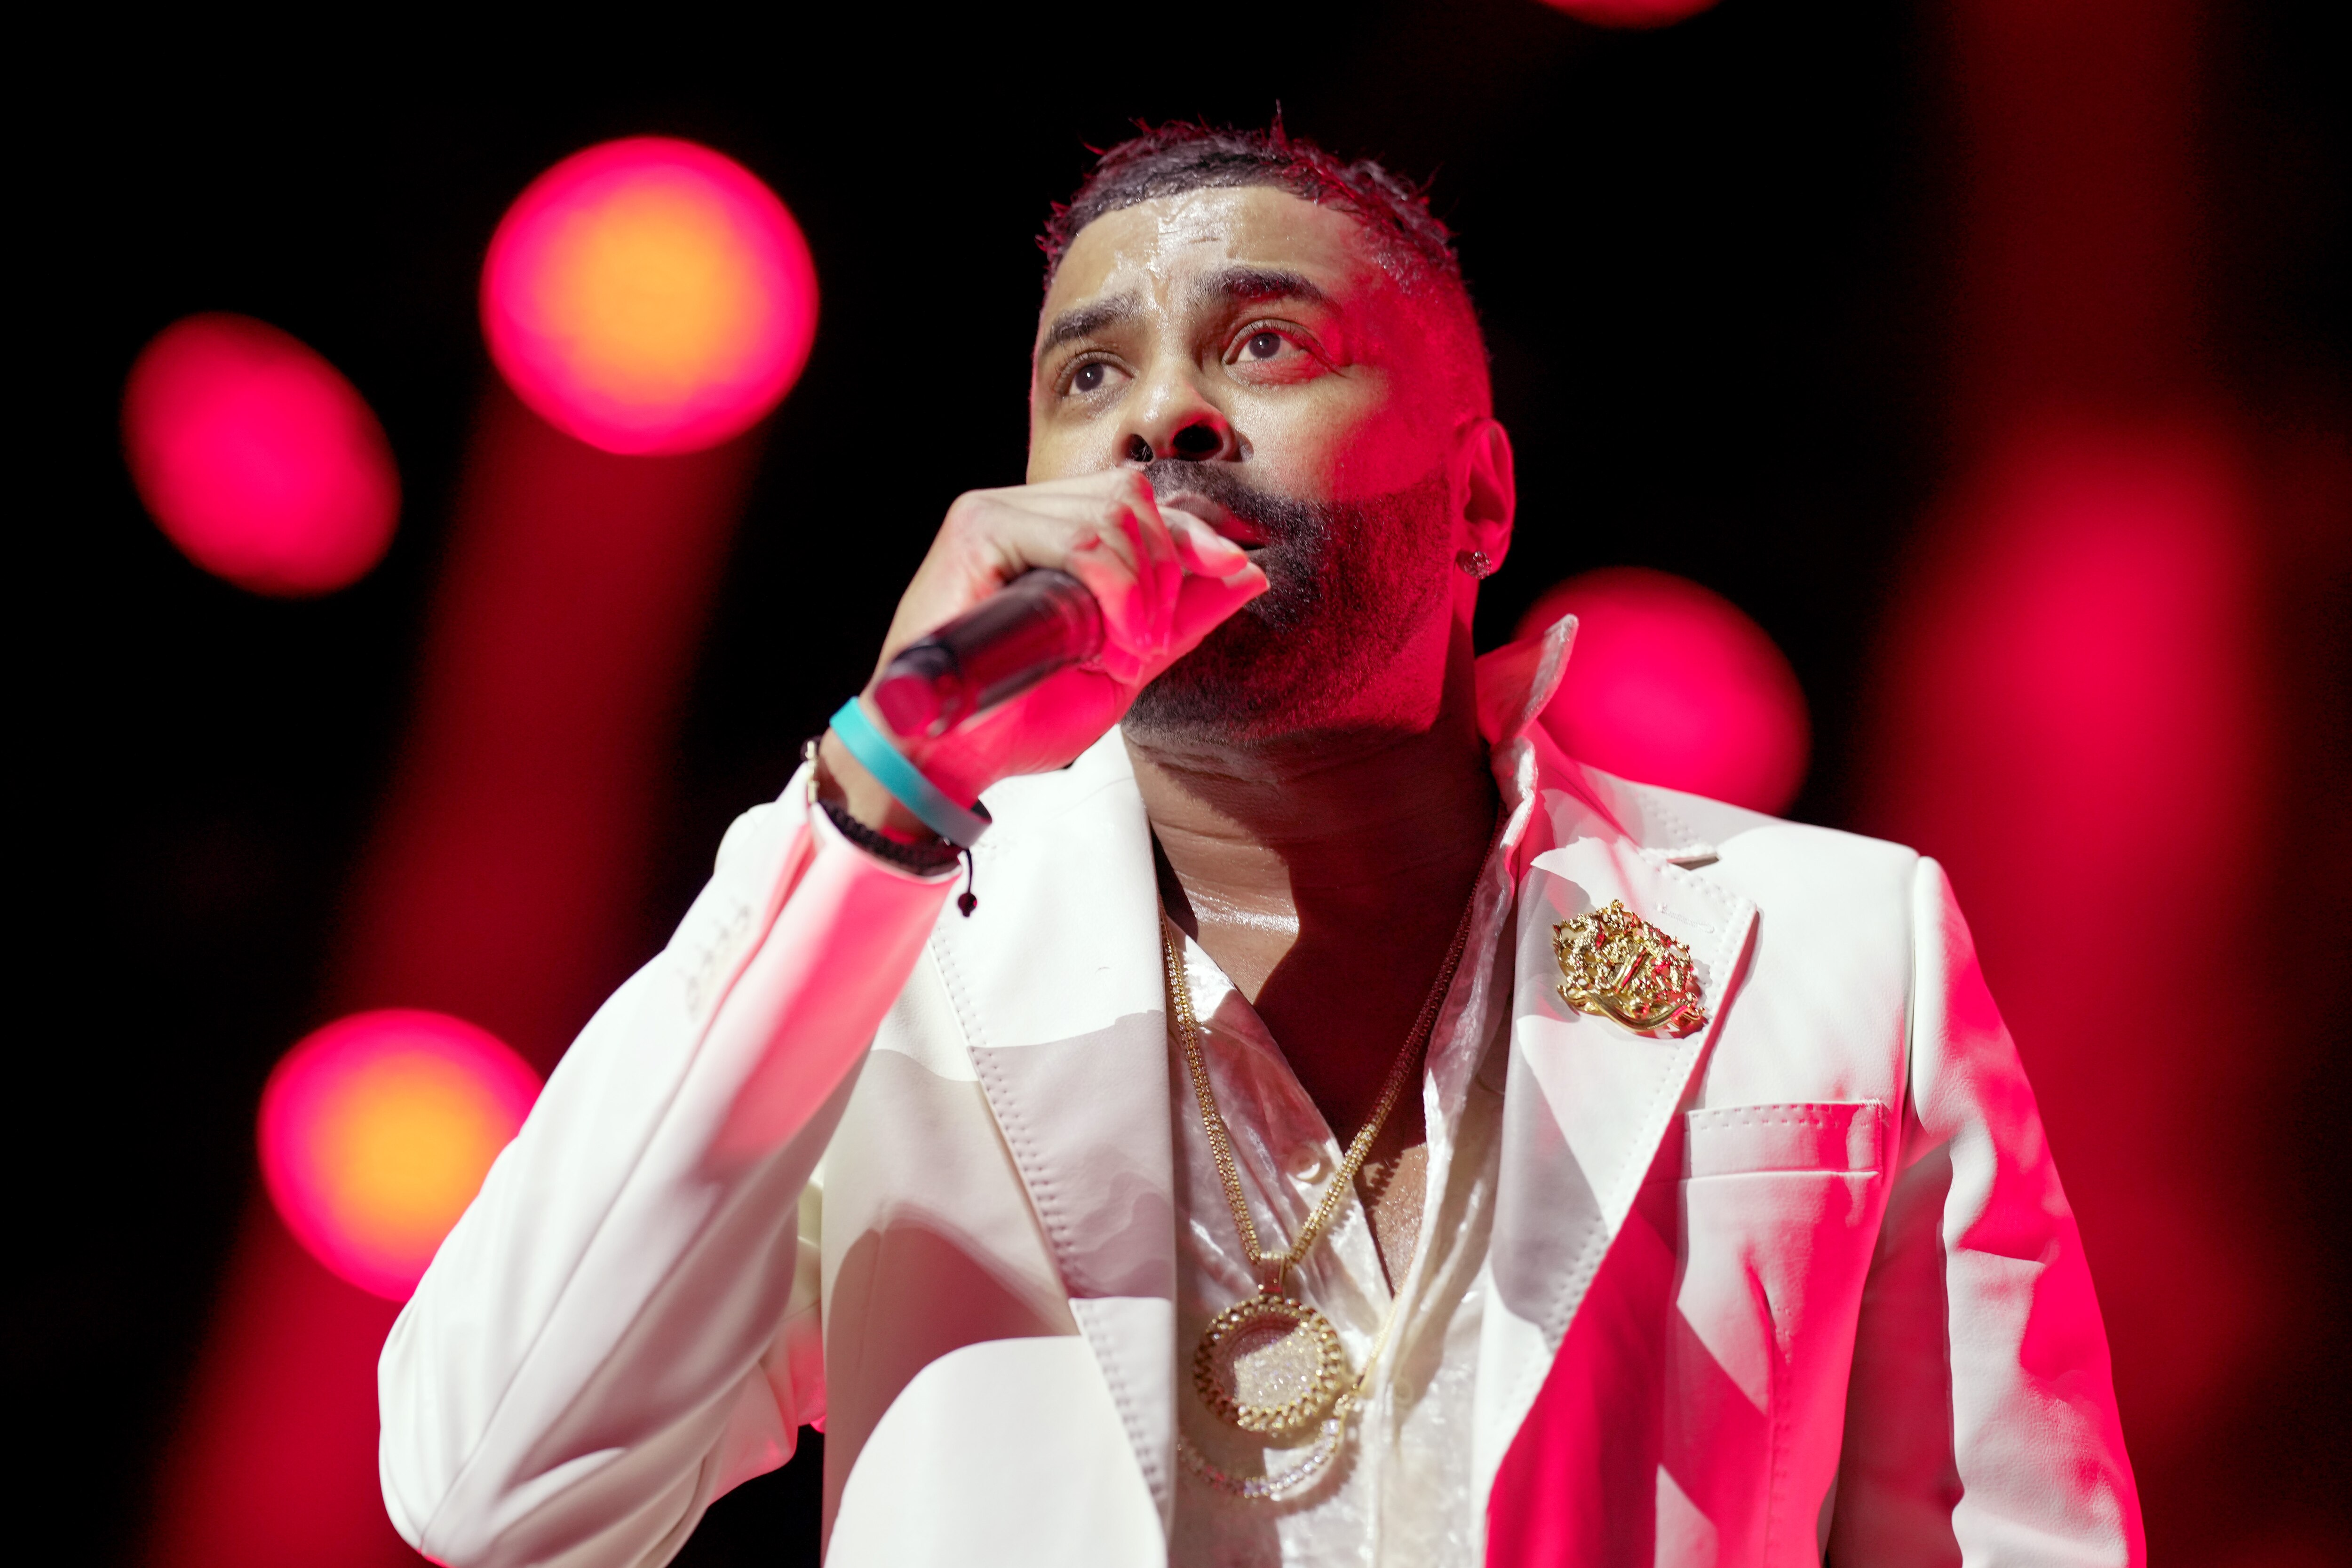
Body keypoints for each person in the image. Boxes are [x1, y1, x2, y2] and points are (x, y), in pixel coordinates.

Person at [379, 122, 2143, 1568]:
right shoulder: (873, 952)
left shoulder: (1838, 944)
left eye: (1266, 345)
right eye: (1092, 372)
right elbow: (494, 1492)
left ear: (1481, 495)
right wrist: (881, 807)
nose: (1163, 419)